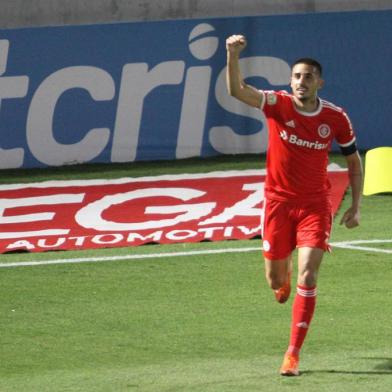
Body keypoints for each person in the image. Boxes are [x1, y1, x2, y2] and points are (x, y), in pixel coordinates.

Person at [225, 34, 363, 376]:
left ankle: (292, 353)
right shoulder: (277, 104)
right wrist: (232, 55)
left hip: (315, 206)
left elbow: (354, 163)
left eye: (309, 76)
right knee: (275, 280)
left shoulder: (335, 117)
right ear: (291, 81)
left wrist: (355, 206)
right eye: (297, 76)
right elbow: (237, 91)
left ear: (320, 82)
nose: (302, 81)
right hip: (277, 204)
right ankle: (281, 280)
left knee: (309, 274)